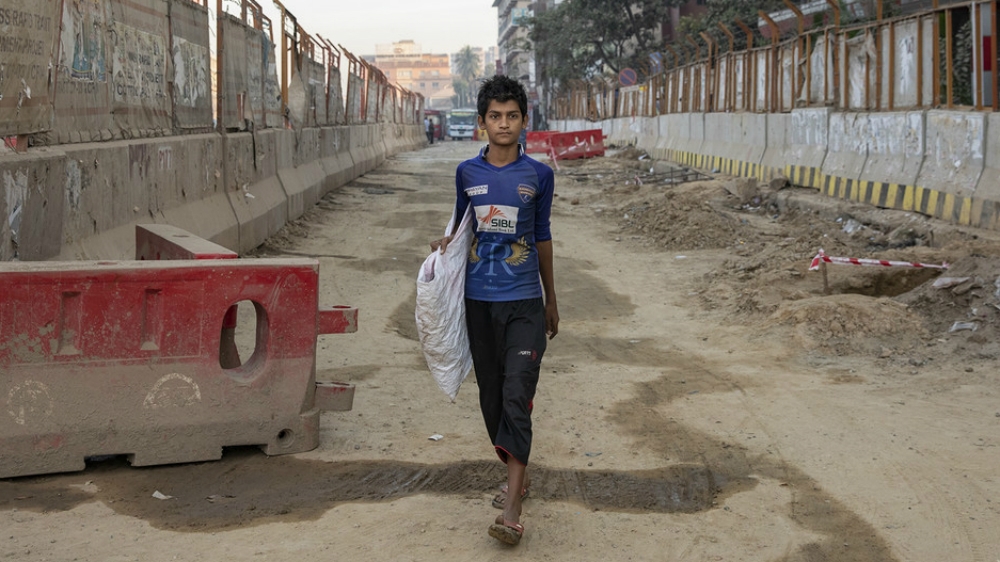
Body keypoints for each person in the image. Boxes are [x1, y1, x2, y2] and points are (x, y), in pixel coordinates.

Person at [430, 75, 559, 546]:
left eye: (512, 116)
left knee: (516, 394)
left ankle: (512, 507)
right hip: (478, 305)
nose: (504, 124)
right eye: (495, 116)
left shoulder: (539, 176)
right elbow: (462, 227)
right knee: (490, 400)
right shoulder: (467, 174)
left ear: (525, 120)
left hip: (524, 303)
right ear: (482, 122)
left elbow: (542, 237)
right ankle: (516, 473)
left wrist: (551, 299)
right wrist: (446, 244)